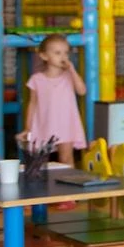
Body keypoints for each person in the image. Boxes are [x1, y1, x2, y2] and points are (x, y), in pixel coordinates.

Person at [22, 34, 88, 163]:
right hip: (44, 123)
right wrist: (28, 127)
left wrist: (72, 70)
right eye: (57, 53)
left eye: (66, 53)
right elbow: (32, 104)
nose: (63, 57)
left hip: (66, 124)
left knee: (66, 158)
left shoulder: (69, 76)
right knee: (40, 160)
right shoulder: (36, 79)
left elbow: (82, 91)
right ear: (44, 56)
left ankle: (69, 177)